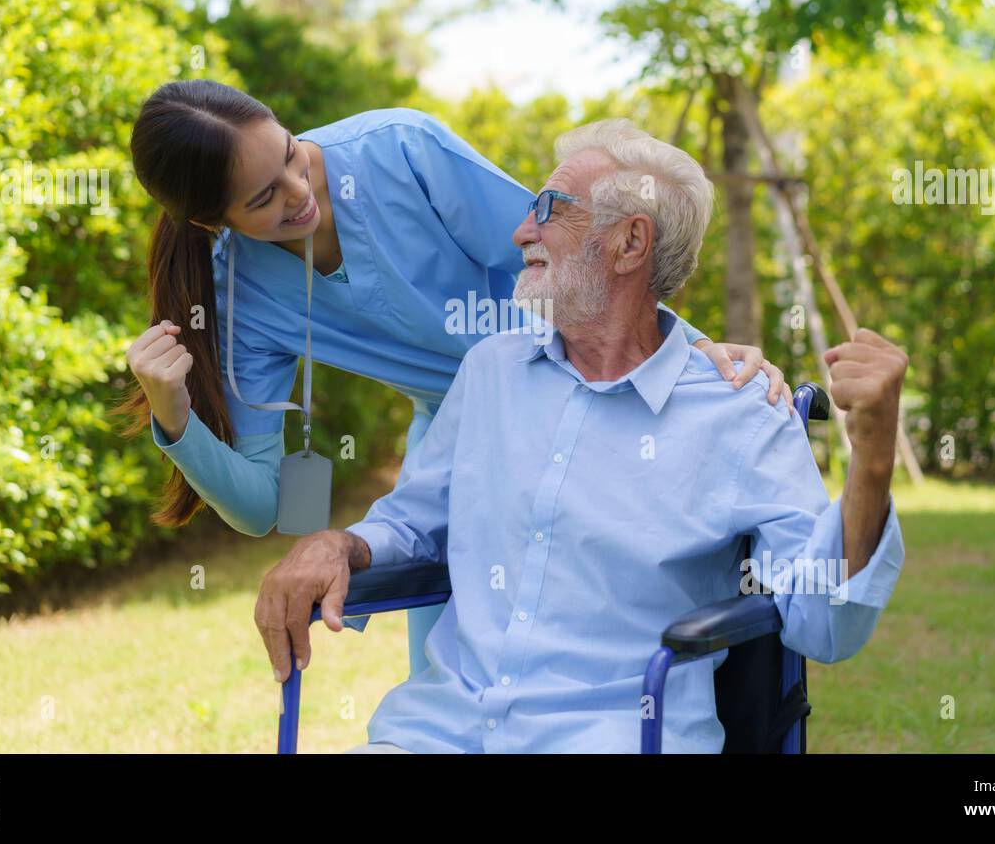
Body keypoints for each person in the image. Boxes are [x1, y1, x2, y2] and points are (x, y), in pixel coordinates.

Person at [254, 119, 908, 753]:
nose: (519, 230)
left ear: (630, 242)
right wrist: (339, 542)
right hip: (440, 730)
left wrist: (873, 458)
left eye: (550, 208)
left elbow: (824, 622)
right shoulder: (490, 371)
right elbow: (411, 523)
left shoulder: (740, 411)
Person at [114, 80, 789, 676]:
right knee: (453, 675)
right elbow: (263, 503)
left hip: (580, 386)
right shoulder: (241, 297)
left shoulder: (400, 151)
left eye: (292, 154)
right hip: (455, 445)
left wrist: (692, 346)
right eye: (264, 197)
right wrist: (175, 417)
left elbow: (570, 248)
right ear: (213, 222)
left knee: (599, 638)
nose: (300, 192)